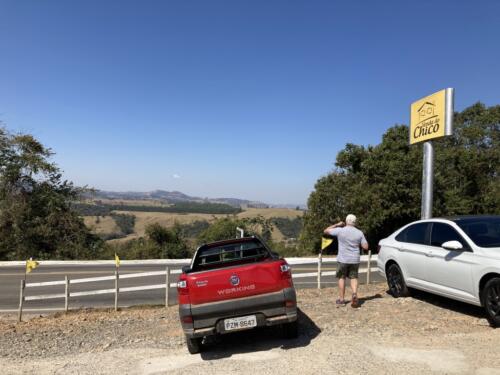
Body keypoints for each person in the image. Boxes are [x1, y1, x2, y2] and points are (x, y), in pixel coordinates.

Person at [324, 214, 368, 308]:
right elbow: (365, 246)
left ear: (346, 221)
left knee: (342, 277)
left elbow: (326, 231)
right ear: (355, 222)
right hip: (355, 259)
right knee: (354, 277)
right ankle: (355, 294)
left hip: (343, 259)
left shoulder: (340, 230)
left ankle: (342, 300)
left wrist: (337, 224)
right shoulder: (359, 233)